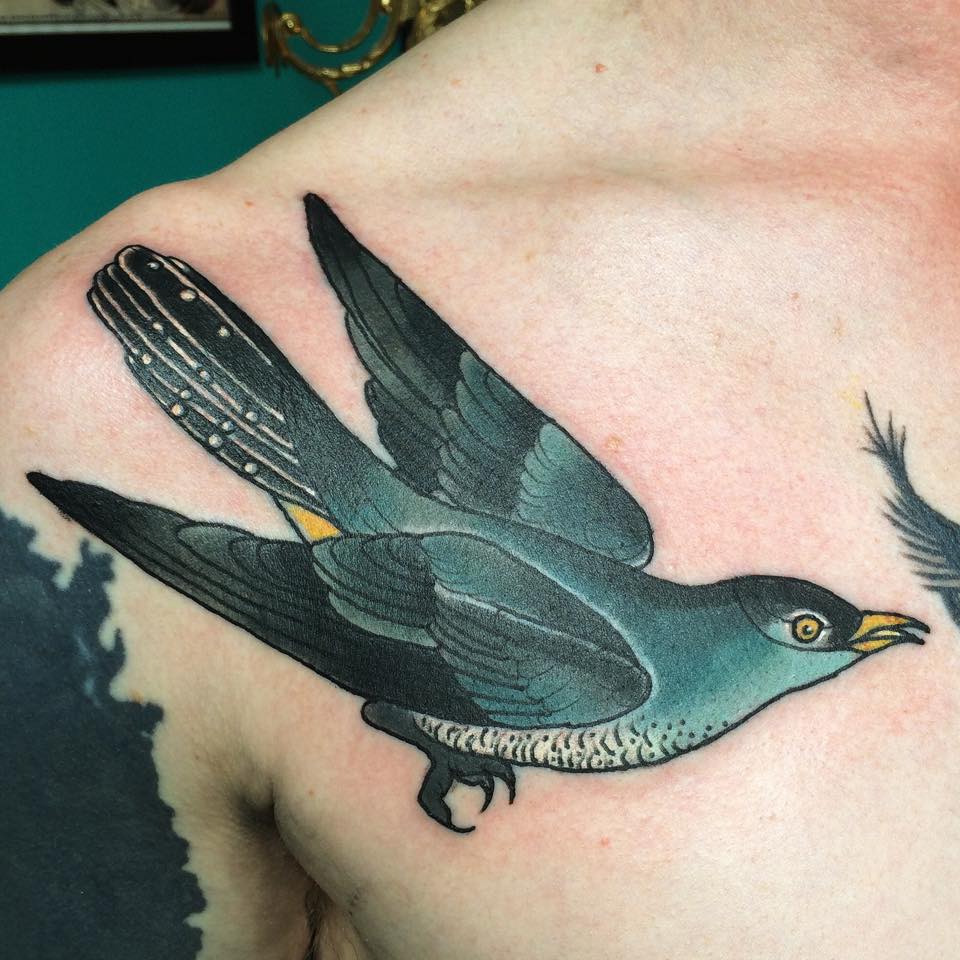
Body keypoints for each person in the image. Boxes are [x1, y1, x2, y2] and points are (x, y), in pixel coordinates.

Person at [2, 2, 959, 957]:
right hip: (357, 560)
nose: (862, 633)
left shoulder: (618, 559)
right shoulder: (610, 686)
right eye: (810, 631)